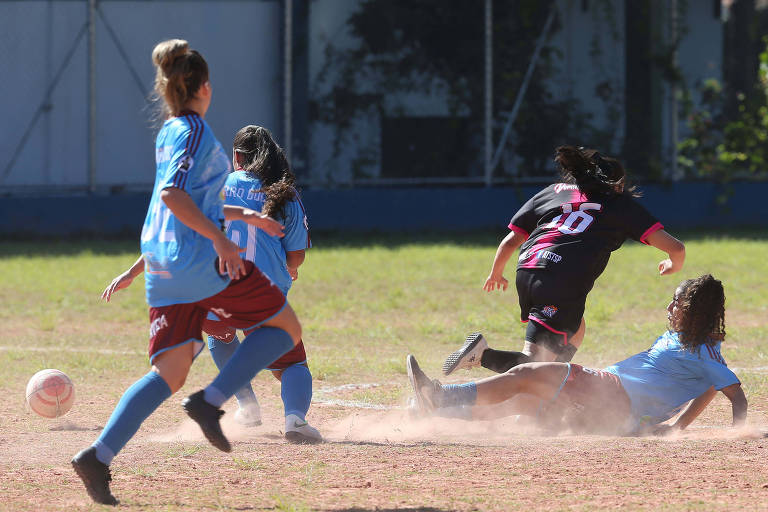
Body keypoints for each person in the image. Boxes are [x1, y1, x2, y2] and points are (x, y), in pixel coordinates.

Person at [71, 39, 302, 506]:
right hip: (198, 260)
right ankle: (210, 400)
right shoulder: (196, 131)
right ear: (203, 87)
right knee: (284, 328)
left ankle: (98, 455)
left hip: (163, 265)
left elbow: (196, 198)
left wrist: (246, 218)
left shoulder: (169, 131)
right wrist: (220, 239)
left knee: (169, 372)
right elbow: (175, 196)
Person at [442, 145, 686, 377]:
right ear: (619, 185)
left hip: (527, 266)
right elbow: (676, 248)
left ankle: (548, 387)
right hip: (559, 279)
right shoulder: (619, 205)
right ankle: (482, 356)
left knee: (576, 329)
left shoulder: (554, 191)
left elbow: (510, 240)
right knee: (534, 364)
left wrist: (496, 273)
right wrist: (674, 263)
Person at [409, 274, 748, 435]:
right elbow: (708, 387)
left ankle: (438, 397)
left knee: (528, 375)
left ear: (694, 310)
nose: (671, 306)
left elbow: (736, 395)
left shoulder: (705, 353)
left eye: (678, 302)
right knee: (523, 402)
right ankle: (436, 415)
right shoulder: (687, 343)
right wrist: (677, 426)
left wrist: (736, 434)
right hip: (611, 409)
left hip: (612, 395)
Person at [201, 125, 321, 443]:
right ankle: (295, 419)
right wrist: (289, 268)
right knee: (292, 364)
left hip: (218, 293)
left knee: (221, 335)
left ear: (237, 157)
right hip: (262, 296)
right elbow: (295, 257)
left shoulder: (218, 186)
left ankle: (248, 406)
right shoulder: (284, 193)